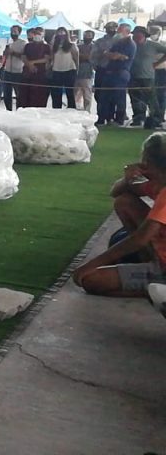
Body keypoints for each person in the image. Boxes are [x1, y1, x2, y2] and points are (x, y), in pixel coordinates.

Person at [72, 133, 166, 296]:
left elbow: (140, 239)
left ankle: (157, 289)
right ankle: (151, 270)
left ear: (148, 163)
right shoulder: (156, 183)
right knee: (124, 201)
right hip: (160, 254)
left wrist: (90, 265)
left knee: (91, 279)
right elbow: (116, 192)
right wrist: (128, 178)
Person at [99, 23, 136, 126]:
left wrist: (113, 55)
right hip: (109, 73)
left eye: (120, 30)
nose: (117, 32)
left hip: (121, 73)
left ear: (127, 32)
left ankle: (119, 119)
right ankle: (105, 118)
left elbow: (116, 56)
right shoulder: (117, 43)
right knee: (105, 97)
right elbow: (107, 54)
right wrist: (112, 55)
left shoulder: (130, 44)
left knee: (119, 98)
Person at [129, 26, 166, 129]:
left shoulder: (153, 45)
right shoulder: (130, 45)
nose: (136, 36)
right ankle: (138, 118)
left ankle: (156, 119)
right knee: (135, 99)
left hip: (148, 76)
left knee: (151, 99)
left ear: (144, 35)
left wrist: (158, 63)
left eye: (139, 34)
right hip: (132, 76)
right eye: (135, 34)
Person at [92, 21, 119, 118]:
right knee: (99, 94)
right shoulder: (100, 41)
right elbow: (93, 55)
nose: (111, 30)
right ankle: (101, 115)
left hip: (116, 71)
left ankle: (111, 116)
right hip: (102, 69)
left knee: (113, 94)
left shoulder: (120, 41)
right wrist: (96, 63)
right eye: (109, 28)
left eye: (113, 27)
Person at [19, 27, 51, 108]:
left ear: (43, 35)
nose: (37, 35)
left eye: (39, 33)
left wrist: (33, 62)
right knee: (25, 97)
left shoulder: (46, 46)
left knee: (38, 98)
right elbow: (23, 57)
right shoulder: (27, 46)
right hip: (27, 75)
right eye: (35, 33)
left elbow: (46, 59)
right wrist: (29, 65)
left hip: (40, 75)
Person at [49, 27, 78, 109]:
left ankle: (71, 109)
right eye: (59, 32)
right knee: (56, 94)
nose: (61, 34)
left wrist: (77, 70)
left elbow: (76, 58)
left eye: (63, 32)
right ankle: (56, 110)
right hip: (56, 71)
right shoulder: (54, 46)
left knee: (70, 93)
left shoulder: (72, 45)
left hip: (70, 70)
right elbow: (52, 58)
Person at [0, 25, 26, 111]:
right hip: (7, 71)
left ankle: (19, 111)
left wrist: (13, 53)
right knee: (7, 93)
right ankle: (8, 110)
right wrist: (5, 54)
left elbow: (24, 57)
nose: (13, 33)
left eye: (15, 31)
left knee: (19, 94)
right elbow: (5, 56)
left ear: (19, 32)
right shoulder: (9, 43)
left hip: (18, 72)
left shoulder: (23, 43)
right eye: (11, 31)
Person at [76, 30, 96, 113]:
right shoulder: (78, 46)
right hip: (76, 73)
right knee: (75, 94)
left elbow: (92, 57)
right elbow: (75, 56)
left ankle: (87, 111)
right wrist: (84, 57)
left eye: (89, 35)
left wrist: (83, 56)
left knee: (87, 95)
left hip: (88, 74)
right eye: (85, 35)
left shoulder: (94, 47)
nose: (87, 37)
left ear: (92, 37)